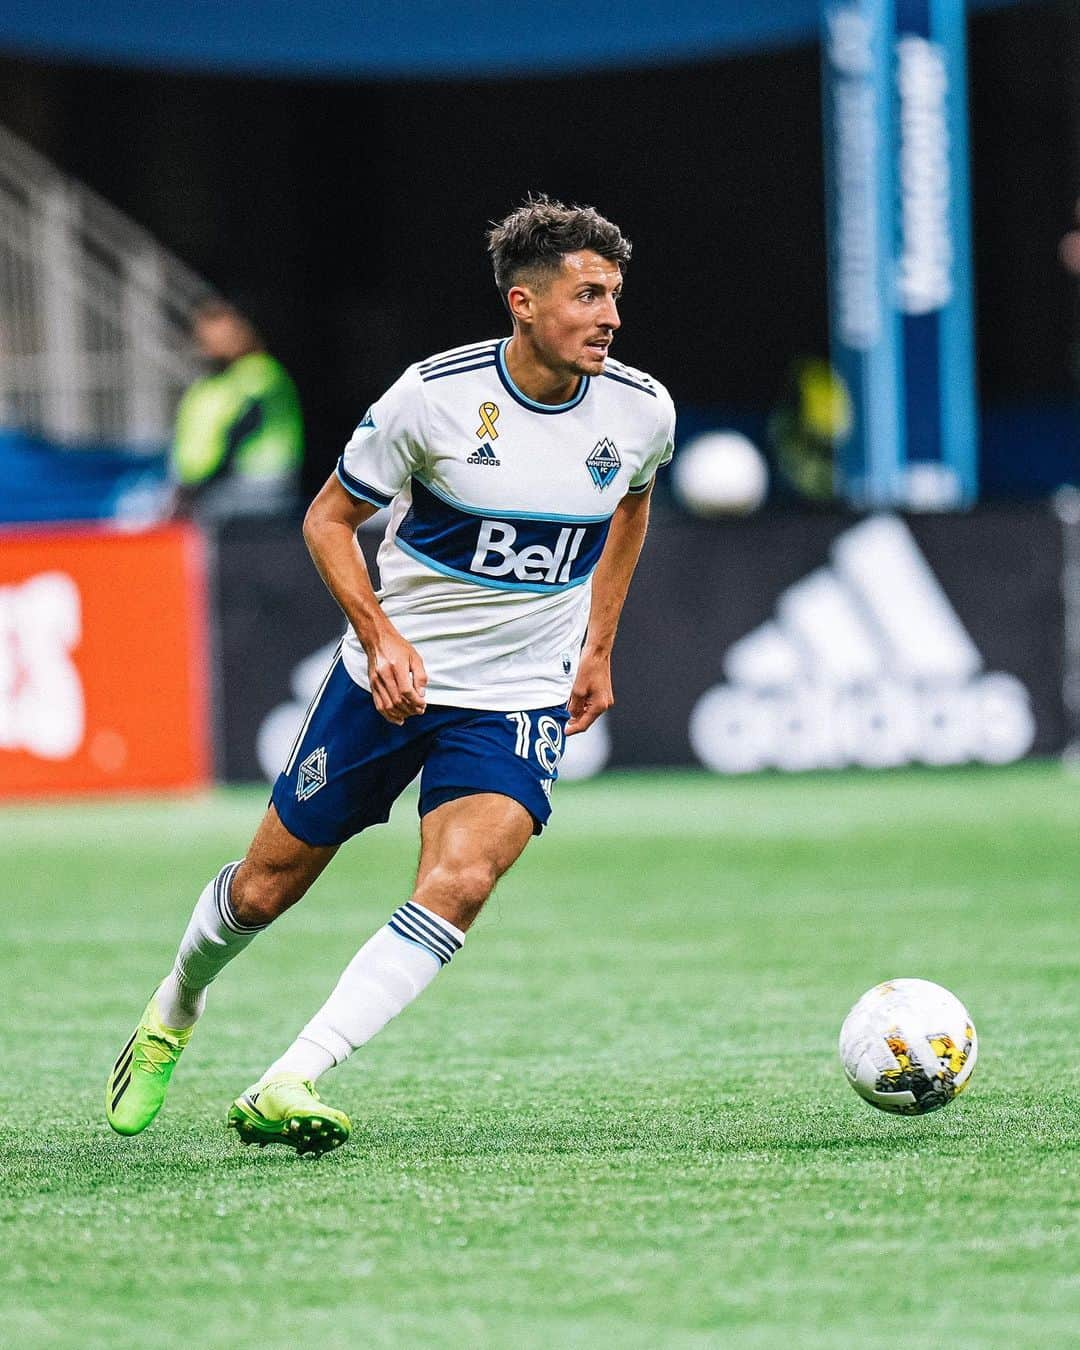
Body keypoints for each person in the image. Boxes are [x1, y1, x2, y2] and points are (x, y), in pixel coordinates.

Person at [106, 195, 675, 1156]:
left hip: (516, 693)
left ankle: (293, 1076)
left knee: (462, 879)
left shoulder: (640, 409)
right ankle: (175, 1006)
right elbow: (327, 519)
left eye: (615, 295)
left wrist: (598, 643)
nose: (610, 317)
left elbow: (632, 509)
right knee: (265, 890)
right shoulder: (433, 398)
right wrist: (379, 637)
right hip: (390, 680)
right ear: (523, 304)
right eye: (588, 295)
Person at [170, 299, 304, 519]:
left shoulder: (261, 371)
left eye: (218, 337)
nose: (207, 346)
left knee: (207, 514)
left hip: (255, 482)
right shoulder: (207, 385)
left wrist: (201, 484)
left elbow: (242, 430)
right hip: (200, 485)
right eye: (203, 338)